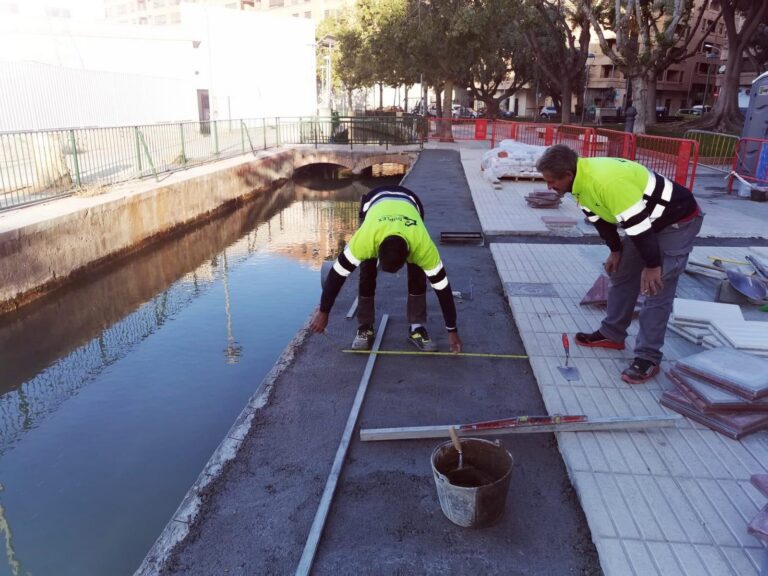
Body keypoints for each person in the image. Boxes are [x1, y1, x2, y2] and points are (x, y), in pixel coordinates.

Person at [536, 144, 703, 384]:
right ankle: (612, 334)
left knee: (655, 287)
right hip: (646, 222)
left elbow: (640, 229)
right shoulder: (580, 182)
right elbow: (599, 218)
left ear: (568, 175)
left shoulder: (606, 183)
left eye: (552, 181)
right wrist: (615, 250)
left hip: (677, 219)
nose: (549, 186)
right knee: (622, 272)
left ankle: (648, 357)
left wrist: (653, 265)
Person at [309, 184, 463, 354]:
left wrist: (452, 331)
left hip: (411, 203)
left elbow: (443, 289)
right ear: (377, 248)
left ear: (409, 254)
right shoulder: (365, 240)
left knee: (417, 273)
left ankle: (417, 328)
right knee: (367, 270)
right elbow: (337, 275)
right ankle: (365, 327)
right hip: (373, 204)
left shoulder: (422, 246)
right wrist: (323, 312)